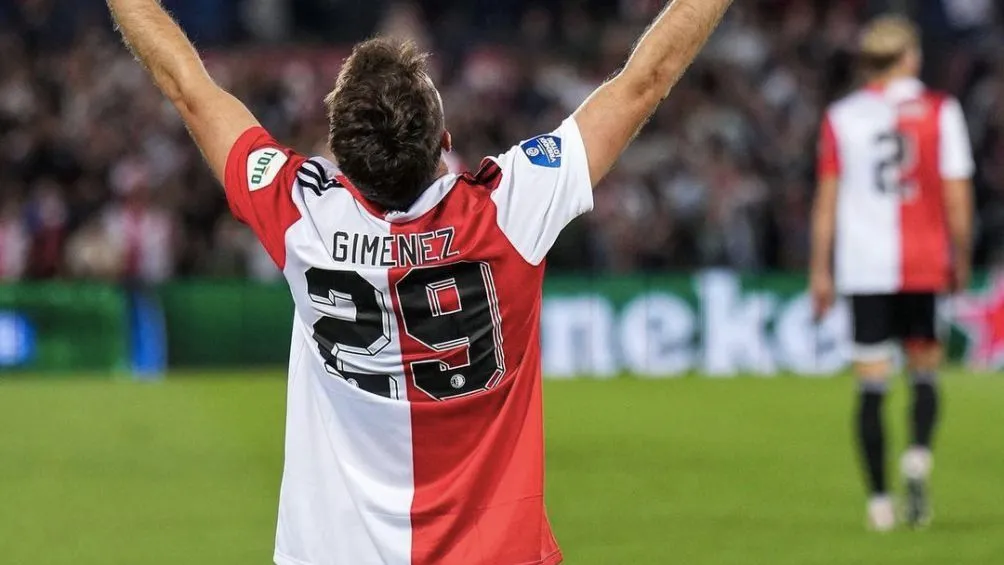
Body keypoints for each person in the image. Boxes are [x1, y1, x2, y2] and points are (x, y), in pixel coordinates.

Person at [105, 0, 734, 563]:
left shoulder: (300, 215)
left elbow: (189, 88)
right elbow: (642, 83)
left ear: (337, 157)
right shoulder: (509, 211)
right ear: (446, 140)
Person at [810, 15, 975, 532]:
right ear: (910, 57)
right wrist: (961, 256)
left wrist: (820, 270)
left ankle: (879, 501)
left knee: (871, 388)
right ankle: (919, 455)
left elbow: (826, 202)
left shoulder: (842, 117)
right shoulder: (941, 111)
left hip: (863, 267)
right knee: (925, 370)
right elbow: (957, 196)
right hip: (924, 263)